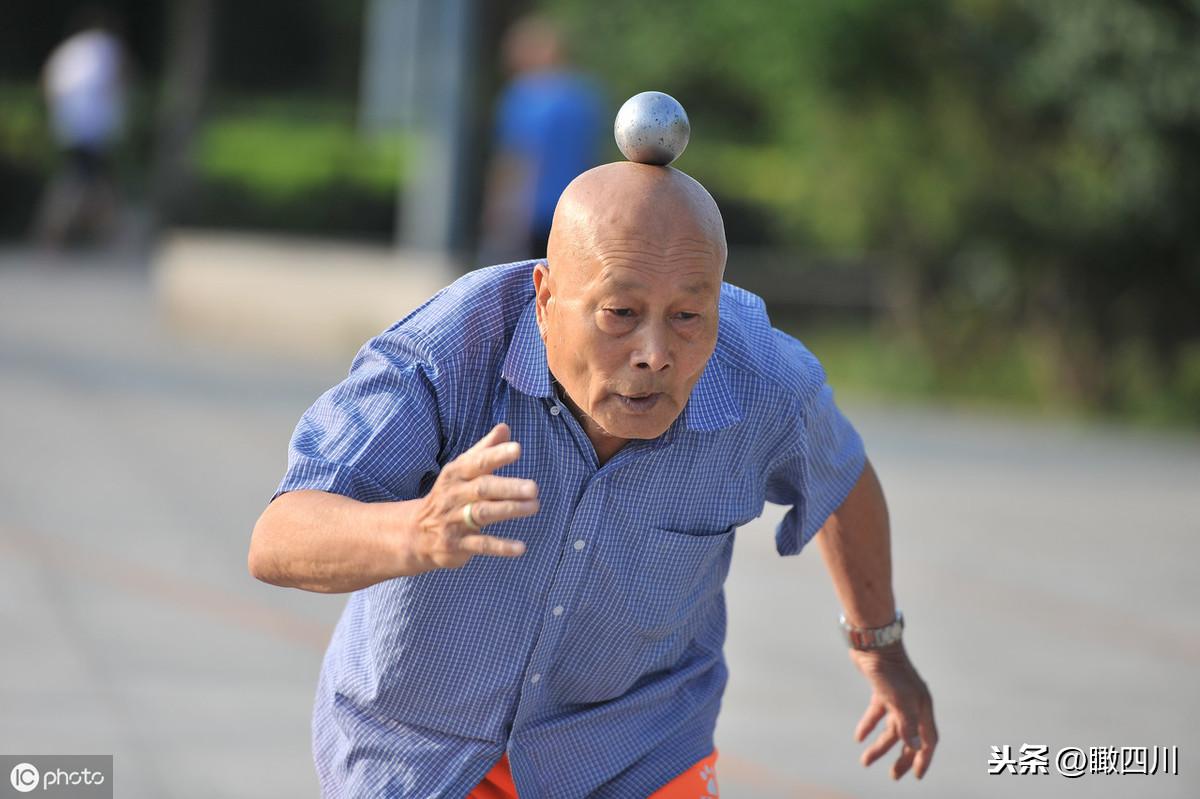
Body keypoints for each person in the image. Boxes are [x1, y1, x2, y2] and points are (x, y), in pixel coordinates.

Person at [249, 161, 938, 797]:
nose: (655, 354)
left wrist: (879, 643)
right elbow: (278, 538)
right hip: (424, 748)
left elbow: (841, 477)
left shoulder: (766, 383)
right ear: (546, 299)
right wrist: (415, 529)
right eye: (621, 313)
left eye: (689, 316)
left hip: (637, 749)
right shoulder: (446, 354)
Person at [479, 16, 604, 262]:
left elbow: (514, 159)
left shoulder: (523, 95)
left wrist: (496, 209)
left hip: (529, 212)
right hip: (578, 207)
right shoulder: (587, 95)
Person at [34, 7, 129, 249]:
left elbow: (47, 83)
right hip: (92, 126)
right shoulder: (106, 46)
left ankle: (96, 231)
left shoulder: (69, 49)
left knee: (88, 178)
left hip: (68, 125)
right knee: (84, 180)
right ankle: (61, 232)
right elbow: (117, 80)